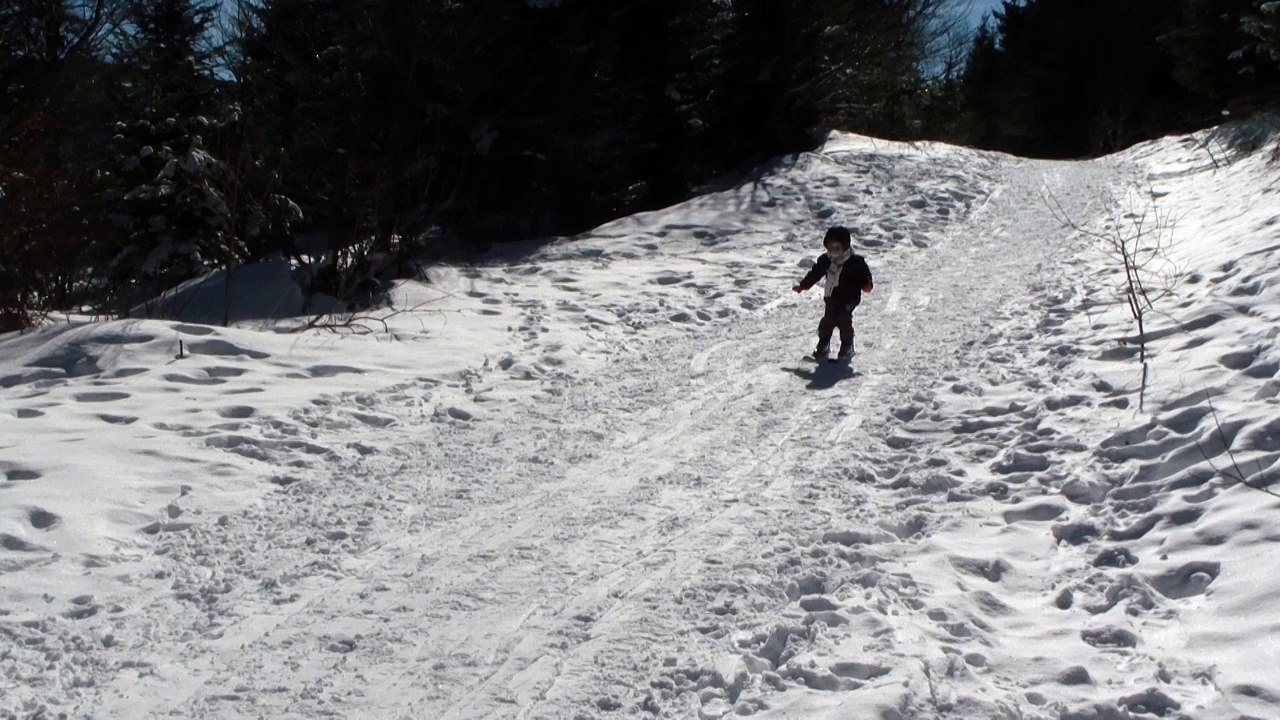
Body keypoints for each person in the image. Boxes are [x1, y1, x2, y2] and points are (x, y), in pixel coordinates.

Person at [792, 226, 874, 362]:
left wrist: (867, 285)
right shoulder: (826, 260)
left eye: (837, 248)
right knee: (827, 321)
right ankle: (823, 343)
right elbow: (815, 273)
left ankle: (847, 346)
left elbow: (865, 276)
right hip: (831, 296)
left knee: (844, 320)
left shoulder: (856, 262)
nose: (833, 252)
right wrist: (803, 286)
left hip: (849, 298)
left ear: (845, 247)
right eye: (830, 248)